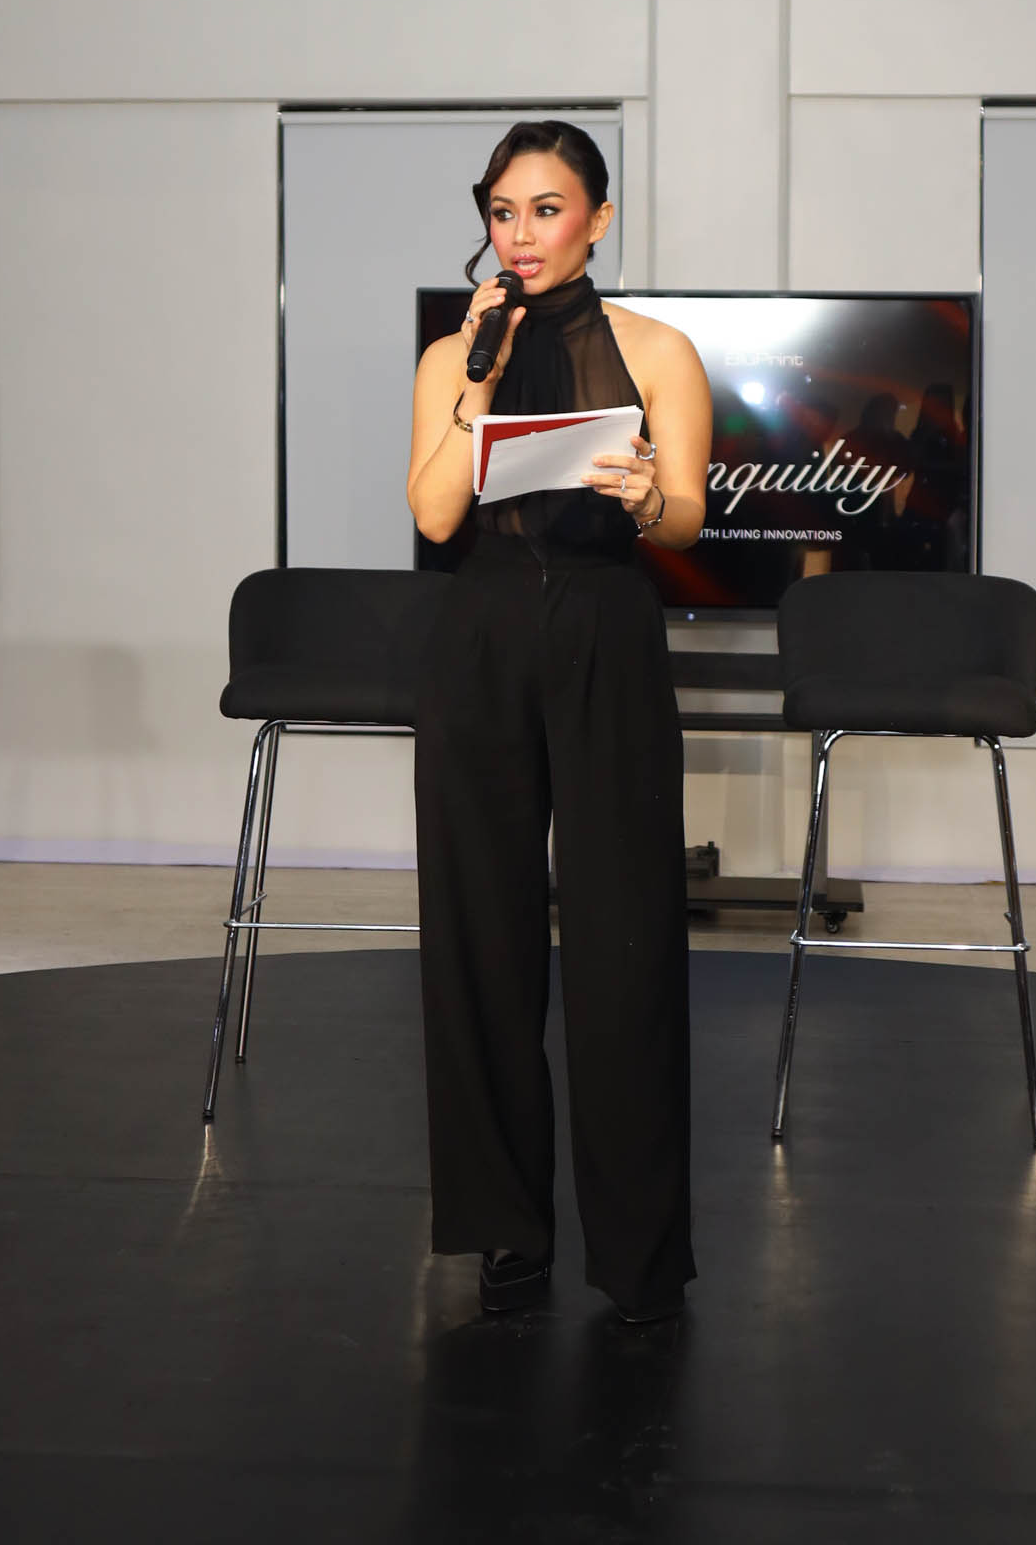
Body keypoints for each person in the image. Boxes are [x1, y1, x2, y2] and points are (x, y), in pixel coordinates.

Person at [406, 119, 713, 1323]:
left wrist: (645, 498)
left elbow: (685, 514)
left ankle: (637, 1249)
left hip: (605, 630)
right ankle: (505, 1226)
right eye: (503, 211)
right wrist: (479, 375)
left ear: (599, 218)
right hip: (481, 634)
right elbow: (437, 516)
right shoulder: (453, 353)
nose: (521, 233)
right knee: (479, 933)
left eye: (546, 208)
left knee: (625, 937)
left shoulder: (659, 349)